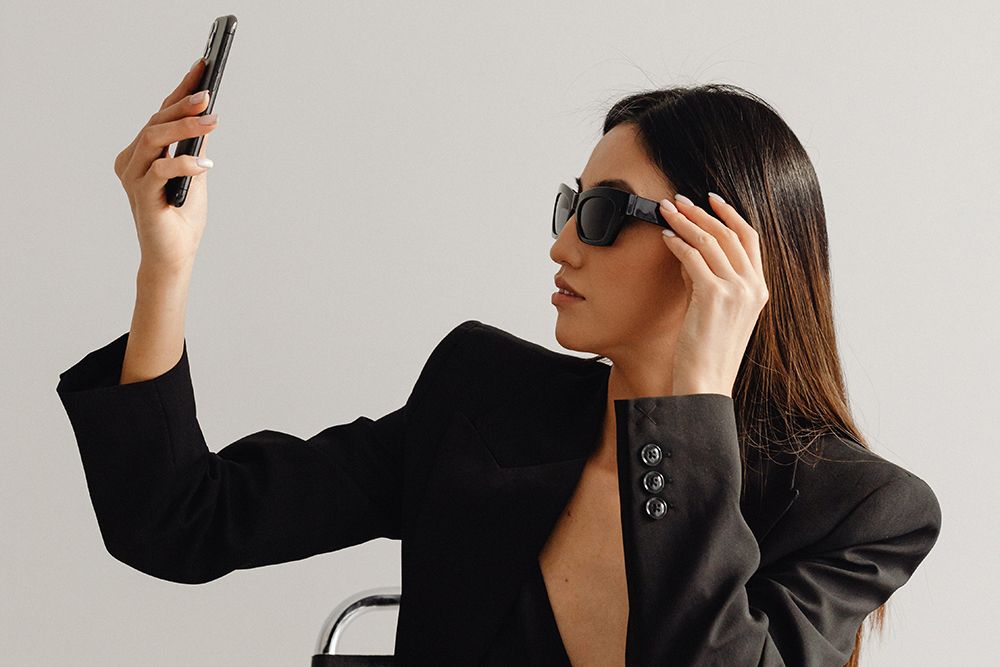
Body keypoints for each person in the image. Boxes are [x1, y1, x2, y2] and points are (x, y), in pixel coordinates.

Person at [56, 60, 940, 666]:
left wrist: (693, 404)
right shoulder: (483, 400)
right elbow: (175, 520)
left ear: (719, 250)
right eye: (567, 205)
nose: (561, 245)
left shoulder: (860, 510)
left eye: (600, 213)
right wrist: (163, 266)